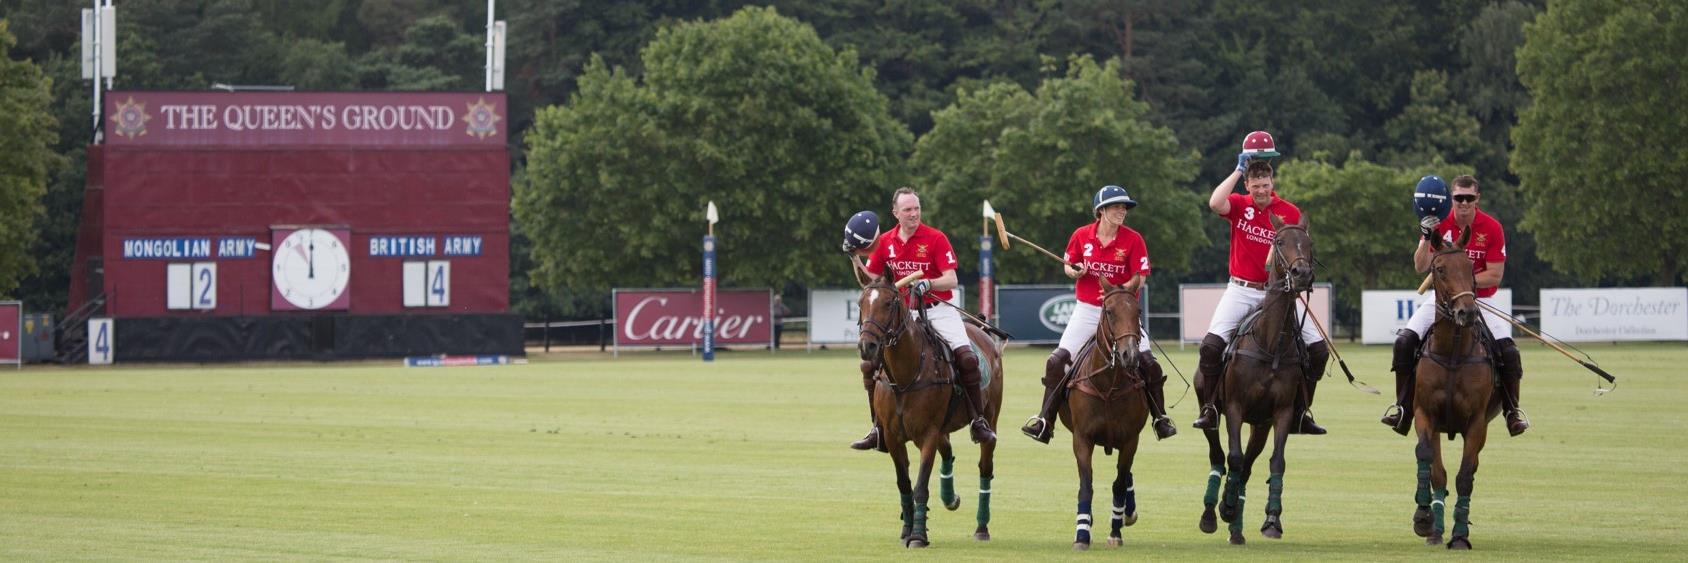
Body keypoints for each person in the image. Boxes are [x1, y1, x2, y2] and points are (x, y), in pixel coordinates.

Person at [1190, 130, 1330, 435]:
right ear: (1247, 186)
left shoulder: (1288, 212)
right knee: (1211, 347)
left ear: (1272, 184)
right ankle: (1211, 407)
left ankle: (1301, 411)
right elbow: (1215, 202)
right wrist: (1239, 168)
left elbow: (1297, 253)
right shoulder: (1239, 204)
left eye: (1265, 185)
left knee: (1319, 350)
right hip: (1241, 290)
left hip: (1279, 294)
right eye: (1255, 186)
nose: (1261, 191)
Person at [1020, 185, 1177, 443]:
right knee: (1056, 361)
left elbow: (1141, 278)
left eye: (1124, 207)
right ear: (1101, 211)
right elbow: (1069, 265)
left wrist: (1118, 292)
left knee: (1149, 363)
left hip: (1122, 312)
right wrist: (1076, 271)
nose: (1122, 211)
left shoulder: (1133, 239)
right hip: (1088, 310)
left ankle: (1159, 418)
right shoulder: (1082, 235)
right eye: (1116, 206)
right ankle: (1045, 421)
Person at [846, 188, 996, 451]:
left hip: (937, 308)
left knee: (967, 358)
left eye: (916, 208)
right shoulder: (885, 242)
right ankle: (877, 427)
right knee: (869, 365)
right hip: (903, 313)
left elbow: (951, 279)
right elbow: (870, 282)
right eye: (907, 210)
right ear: (896, 213)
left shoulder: (936, 238)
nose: (914, 213)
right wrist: (855, 258)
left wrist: (928, 283)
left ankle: (977, 420)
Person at [1382, 175, 1529, 436]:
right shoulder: (1438, 223)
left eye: (1468, 198)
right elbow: (1420, 265)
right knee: (1404, 342)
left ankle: (1512, 411)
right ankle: (1403, 408)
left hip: (1479, 299)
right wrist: (1427, 236)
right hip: (1441, 301)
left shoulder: (1492, 228)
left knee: (1509, 352)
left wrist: (1462, 285)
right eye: (1458, 198)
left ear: (1477, 199)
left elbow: (1495, 275)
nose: (1463, 203)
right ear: (1452, 198)